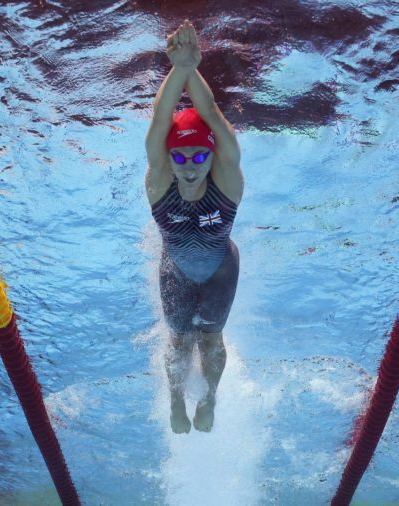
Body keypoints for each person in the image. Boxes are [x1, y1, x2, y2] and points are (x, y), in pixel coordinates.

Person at [144, 20, 244, 433]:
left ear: (211, 156)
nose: (188, 168)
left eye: (198, 157)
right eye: (179, 158)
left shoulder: (228, 182)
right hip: (177, 270)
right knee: (180, 341)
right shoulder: (158, 182)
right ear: (168, 161)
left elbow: (212, 115)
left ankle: (211, 398)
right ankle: (175, 399)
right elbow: (161, 115)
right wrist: (180, 68)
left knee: (211, 340)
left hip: (221, 268)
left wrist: (189, 68)